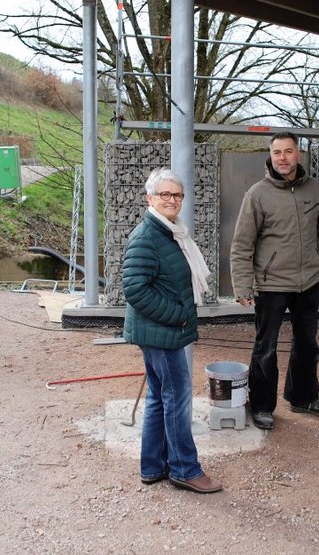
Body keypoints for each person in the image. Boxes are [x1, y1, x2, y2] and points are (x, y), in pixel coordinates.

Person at [121, 168, 223, 494]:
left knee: (158, 399)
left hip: (161, 332)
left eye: (177, 194)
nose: (171, 200)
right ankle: (184, 468)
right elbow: (135, 290)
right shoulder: (147, 236)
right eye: (164, 194)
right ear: (149, 198)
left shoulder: (171, 232)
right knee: (176, 399)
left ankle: (152, 466)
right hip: (161, 333)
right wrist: (177, 316)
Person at [230, 131, 319, 430]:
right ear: (270, 156)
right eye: (277, 152)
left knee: (307, 344)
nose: (283, 158)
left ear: (297, 154)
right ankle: (262, 405)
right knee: (266, 347)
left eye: (288, 151)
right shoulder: (257, 194)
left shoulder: (315, 190)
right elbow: (242, 244)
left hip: (309, 282)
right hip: (271, 283)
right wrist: (243, 285)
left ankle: (303, 398)